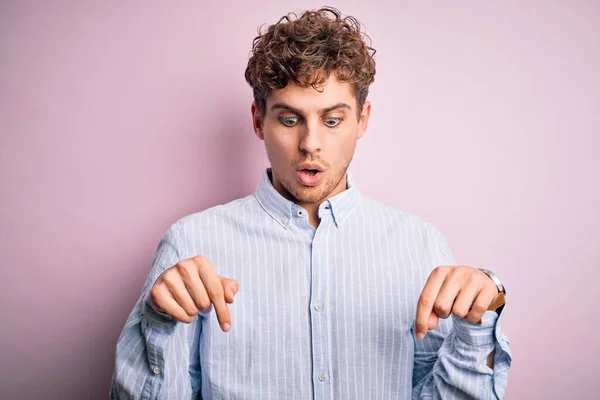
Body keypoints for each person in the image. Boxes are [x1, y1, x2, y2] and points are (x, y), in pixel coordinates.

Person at [110, 6, 511, 399]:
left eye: (333, 120)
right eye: (289, 119)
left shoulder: (419, 245)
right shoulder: (191, 243)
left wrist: (476, 327)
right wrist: (158, 322)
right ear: (257, 120)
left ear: (363, 120)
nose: (310, 143)